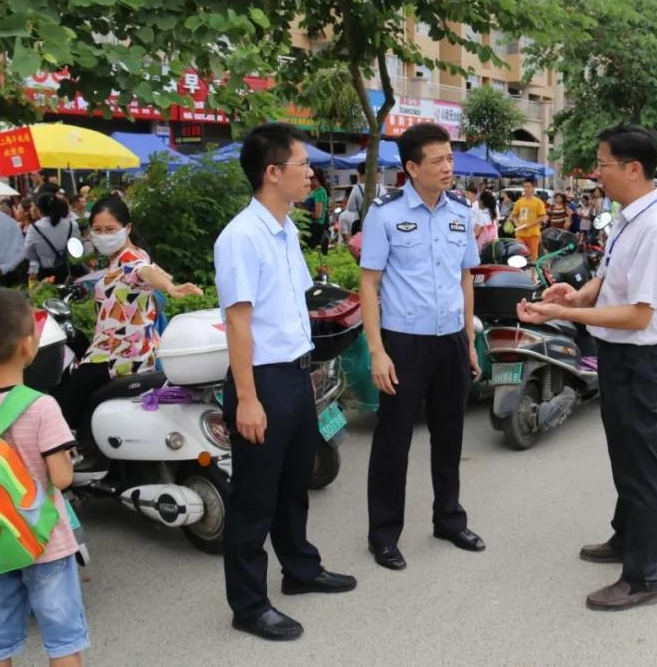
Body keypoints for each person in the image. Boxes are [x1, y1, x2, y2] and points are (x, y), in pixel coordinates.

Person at [516, 125, 657, 611]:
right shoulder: (629, 217)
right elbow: (611, 281)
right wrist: (576, 294)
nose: (597, 172)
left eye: (604, 163)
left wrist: (565, 314)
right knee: (623, 457)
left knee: (639, 464)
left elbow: (639, 313)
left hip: (639, 356)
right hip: (616, 353)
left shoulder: (655, 227)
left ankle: (644, 575)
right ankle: (625, 538)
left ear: (633, 169)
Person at [214, 123, 357, 642]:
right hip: (263, 384)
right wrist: (248, 399)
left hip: (295, 375)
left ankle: (300, 569)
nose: (311, 173)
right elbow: (238, 323)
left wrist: (313, 371)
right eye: (302, 165)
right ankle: (249, 605)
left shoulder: (286, 228)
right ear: (273, 173)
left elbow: (294, 307)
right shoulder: (241, 237)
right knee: (255, 498)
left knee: (296, 483)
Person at [359, 122, 484, 572]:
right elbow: (369, 282)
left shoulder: (460, 212)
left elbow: (466, 276)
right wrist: (377, 351)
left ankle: (449, 520)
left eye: (450, 158)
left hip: (450, 340)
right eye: (438, 160)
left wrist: (469, 340)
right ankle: (384, 534)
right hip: (404, 342)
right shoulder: (385, 214)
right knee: (393, 441)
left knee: (449, 435)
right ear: (412, 167)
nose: (448, 167)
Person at [0, 289, 90, 667]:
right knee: (63, 639)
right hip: (42, 540)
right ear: (27, 346)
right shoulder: (40, 406)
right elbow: (62, 478)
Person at [50, 197, 201, 463]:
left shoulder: (131, 258)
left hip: (116, 356)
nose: (103, 236)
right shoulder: (121, 259)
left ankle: (68, 454)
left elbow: (145, 272)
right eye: (97, 230)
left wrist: (169, 288)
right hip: (138, 353)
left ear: (127, 228)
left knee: (61, 403)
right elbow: (150, 272)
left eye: (111, 229)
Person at [26, 193, 81, 283]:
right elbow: (78, 248)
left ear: (39, 210)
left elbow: (29, 252)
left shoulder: (34, 228)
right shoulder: (72, 225)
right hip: (70, 272)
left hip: (46, 275)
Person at [511, 179, 548, 262]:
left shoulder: (539, 202)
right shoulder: (519, 202)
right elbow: (514, 216)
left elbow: (542, 217)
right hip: (520, 234)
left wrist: (530, 225)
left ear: (533, 188)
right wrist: (517, 225)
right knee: (519, 254)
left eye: (528, 187)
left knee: (533, 255)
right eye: (524, 187)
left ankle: (533, 274)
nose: (526, 189)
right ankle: (520, 273)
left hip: (533, 234)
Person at [304, 173, 330, 254]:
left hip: (316, 227)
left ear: (316, 179)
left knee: (312, 251)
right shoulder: (313, 192)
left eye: (310, 179)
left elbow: (318, 214)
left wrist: (304, 212)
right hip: (311, 226)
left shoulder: (320, 192)